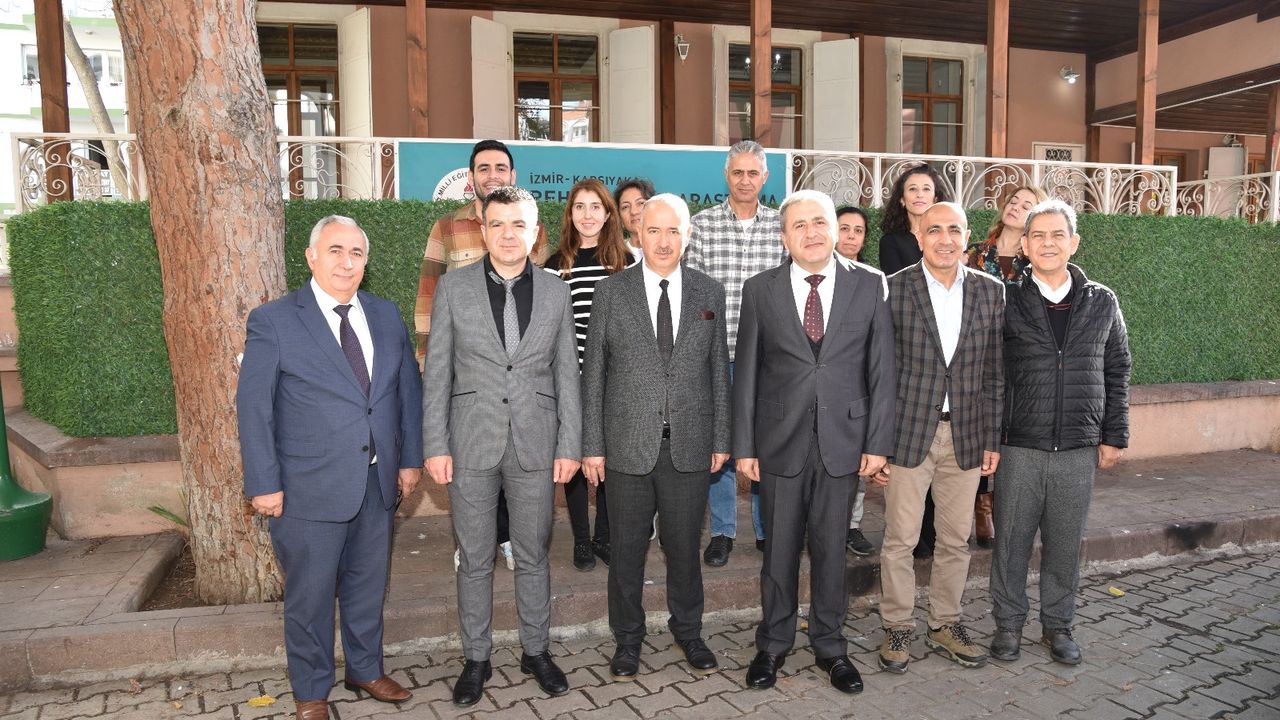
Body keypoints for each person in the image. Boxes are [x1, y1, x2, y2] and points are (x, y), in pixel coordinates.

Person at [237, 216, 424, 720]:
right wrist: (264, 483)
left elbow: (407, 392)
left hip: (376, 483)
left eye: (356, 253)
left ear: (366, 261)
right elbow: (254, 407)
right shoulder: (274, 320)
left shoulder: (385, 314)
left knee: (368, 585)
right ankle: (311, 692)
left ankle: (365, 669)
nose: (346, 262)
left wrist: (409, 459)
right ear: (311, 256)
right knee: (310, 597)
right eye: (335, 250)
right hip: (305, 489)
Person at [422, 186, 582, 706]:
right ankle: (476, 658)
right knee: (474, 558)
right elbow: (438, 372)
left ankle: (537, 651)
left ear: (535, 233)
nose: (508, 234)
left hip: (536, 442)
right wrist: (435, 444)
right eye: (498, 224)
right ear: (484, 230)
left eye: (519, 225)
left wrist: (570, 445)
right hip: (470, 441)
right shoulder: (454, 289)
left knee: (533, 554)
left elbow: (567, 375)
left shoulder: (556, 292)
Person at [734, 190, 896, 694]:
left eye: (820, 222)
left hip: (843, 442)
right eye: (799, 225)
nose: (811, 232)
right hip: (779, 443)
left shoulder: (868, 285)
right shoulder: (759, 290)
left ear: (835, 229)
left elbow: (882, 369)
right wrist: (745, 446)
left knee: (831, 551)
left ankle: (830, 647)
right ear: (784, 237)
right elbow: (747, 372)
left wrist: (878, 442)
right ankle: (773, 644)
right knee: (779, 551)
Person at [581, 193, 731, 681]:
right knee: (626, 551)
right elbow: (593, 374)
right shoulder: (611, 292)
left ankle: (689, 631)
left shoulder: (709, 292)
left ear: (688, 236)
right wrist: (592, 445)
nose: (664, 241)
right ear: (636, 235)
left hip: (689, 444)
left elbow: (718, 371)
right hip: (626, 444)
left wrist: (721, 437)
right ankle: (628, 639)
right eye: (654, 231)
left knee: (684, 547)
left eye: (673, 231)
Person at [988, 199, 1131, 667]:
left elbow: (1117, 369)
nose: (1048, 244)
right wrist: (990, 437)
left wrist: (1114, 434)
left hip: (1077, 446)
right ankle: (1008, 624)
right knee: (1011, 542)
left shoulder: (1102, 300)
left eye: (1057, 235)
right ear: (1025, 246)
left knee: (1065, 544)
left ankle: (1058, 626)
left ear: (1074, 242)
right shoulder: (1005, 300)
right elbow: (990, 374)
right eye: (1038, 236)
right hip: (1019, 444)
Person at [876, 202, 1004, 675]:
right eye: (934, 230)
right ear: (918, 235)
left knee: (955, 540)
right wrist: (877, 442)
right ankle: (897, 626)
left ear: (967, 236)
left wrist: (992, 437)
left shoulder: (991, 291)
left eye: (954, 229)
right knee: (901, 539)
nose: (945, 239)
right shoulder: (893, 288)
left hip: (967, 435)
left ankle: (945, 623)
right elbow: (879, 372)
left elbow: (995, 373)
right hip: (908, 434)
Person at [416, 140, 547, 573]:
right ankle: (475, 541)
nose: (493, 175)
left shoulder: (531, 224)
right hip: (466, 370)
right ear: (471, 177)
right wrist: (427, 359)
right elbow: (428, 295)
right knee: (475, 463)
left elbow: (539, 295)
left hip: (518, 370)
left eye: (501, 167)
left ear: (512, 175)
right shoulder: (446, 226)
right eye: (484, 168)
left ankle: (508, 538)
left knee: (515, 454)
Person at [686, 140, 784, 566]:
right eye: (738, 172)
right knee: (721, 444)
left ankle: (766, 530)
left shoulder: (782, 226)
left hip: (770, 358)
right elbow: (692, 291)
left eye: (753, 173)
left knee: (767, 443)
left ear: (765, 178)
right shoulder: (702, 225)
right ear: (726, 176)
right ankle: (723, 531)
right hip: (718, 354)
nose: (745, 180)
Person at [550, 178, 635, 571]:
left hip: (617, 380)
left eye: (595, 207)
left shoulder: (626, 261)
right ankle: (582, 541)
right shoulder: (555, 265)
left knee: (612, 460)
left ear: (608, 214)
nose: (587, 215)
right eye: (579, 207)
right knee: (575, 459)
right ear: (570, 214)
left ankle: (604, 536)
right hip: (571, 379)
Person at [965, 184, 1049, 549]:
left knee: (1009, 432)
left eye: (1027, 204)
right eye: (1014, 201)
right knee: (980, 429)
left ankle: (1006, 504)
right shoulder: (974, 252)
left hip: (1018, 356)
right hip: (976, 355)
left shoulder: (1036, 260)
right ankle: (982, 505)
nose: (1016, 206)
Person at [877, 163, 952, 559]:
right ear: (902, 199)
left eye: (926, 188)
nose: (920, 195)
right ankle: (916, 535)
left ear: (936, 195)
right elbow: (901, 292)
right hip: (912, 347)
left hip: (948, 355)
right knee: (913, 458)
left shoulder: (950, 237)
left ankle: (937, 533)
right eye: (912, 189)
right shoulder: (892, 242)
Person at [834, 205, 877, 557]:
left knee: (855, 465)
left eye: (858, 230)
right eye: (844, 228)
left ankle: (851, 526)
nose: (850, 236)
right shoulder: (808, 273)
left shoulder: (873, 280)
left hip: (858, 389)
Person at [614, 177, 656, 258]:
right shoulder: (613, 257)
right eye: (625, 207)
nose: (633, 212)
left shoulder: (676, 249)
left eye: (640, 203)